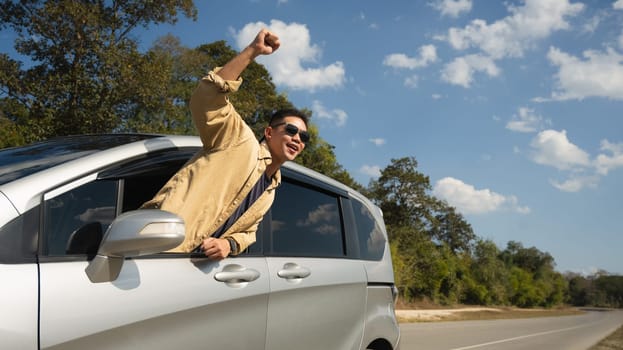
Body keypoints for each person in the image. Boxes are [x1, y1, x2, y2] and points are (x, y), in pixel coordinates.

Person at [141, 29, 309, 260]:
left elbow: (248, 233)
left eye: (303, 137)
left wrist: (229, 244)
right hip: (156, 253)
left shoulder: (271, 190)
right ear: (269, 132)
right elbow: (207, 98)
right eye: (291, 130)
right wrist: (252, 51)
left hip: (197, 274)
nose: (298, 138)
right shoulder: (239, 140)